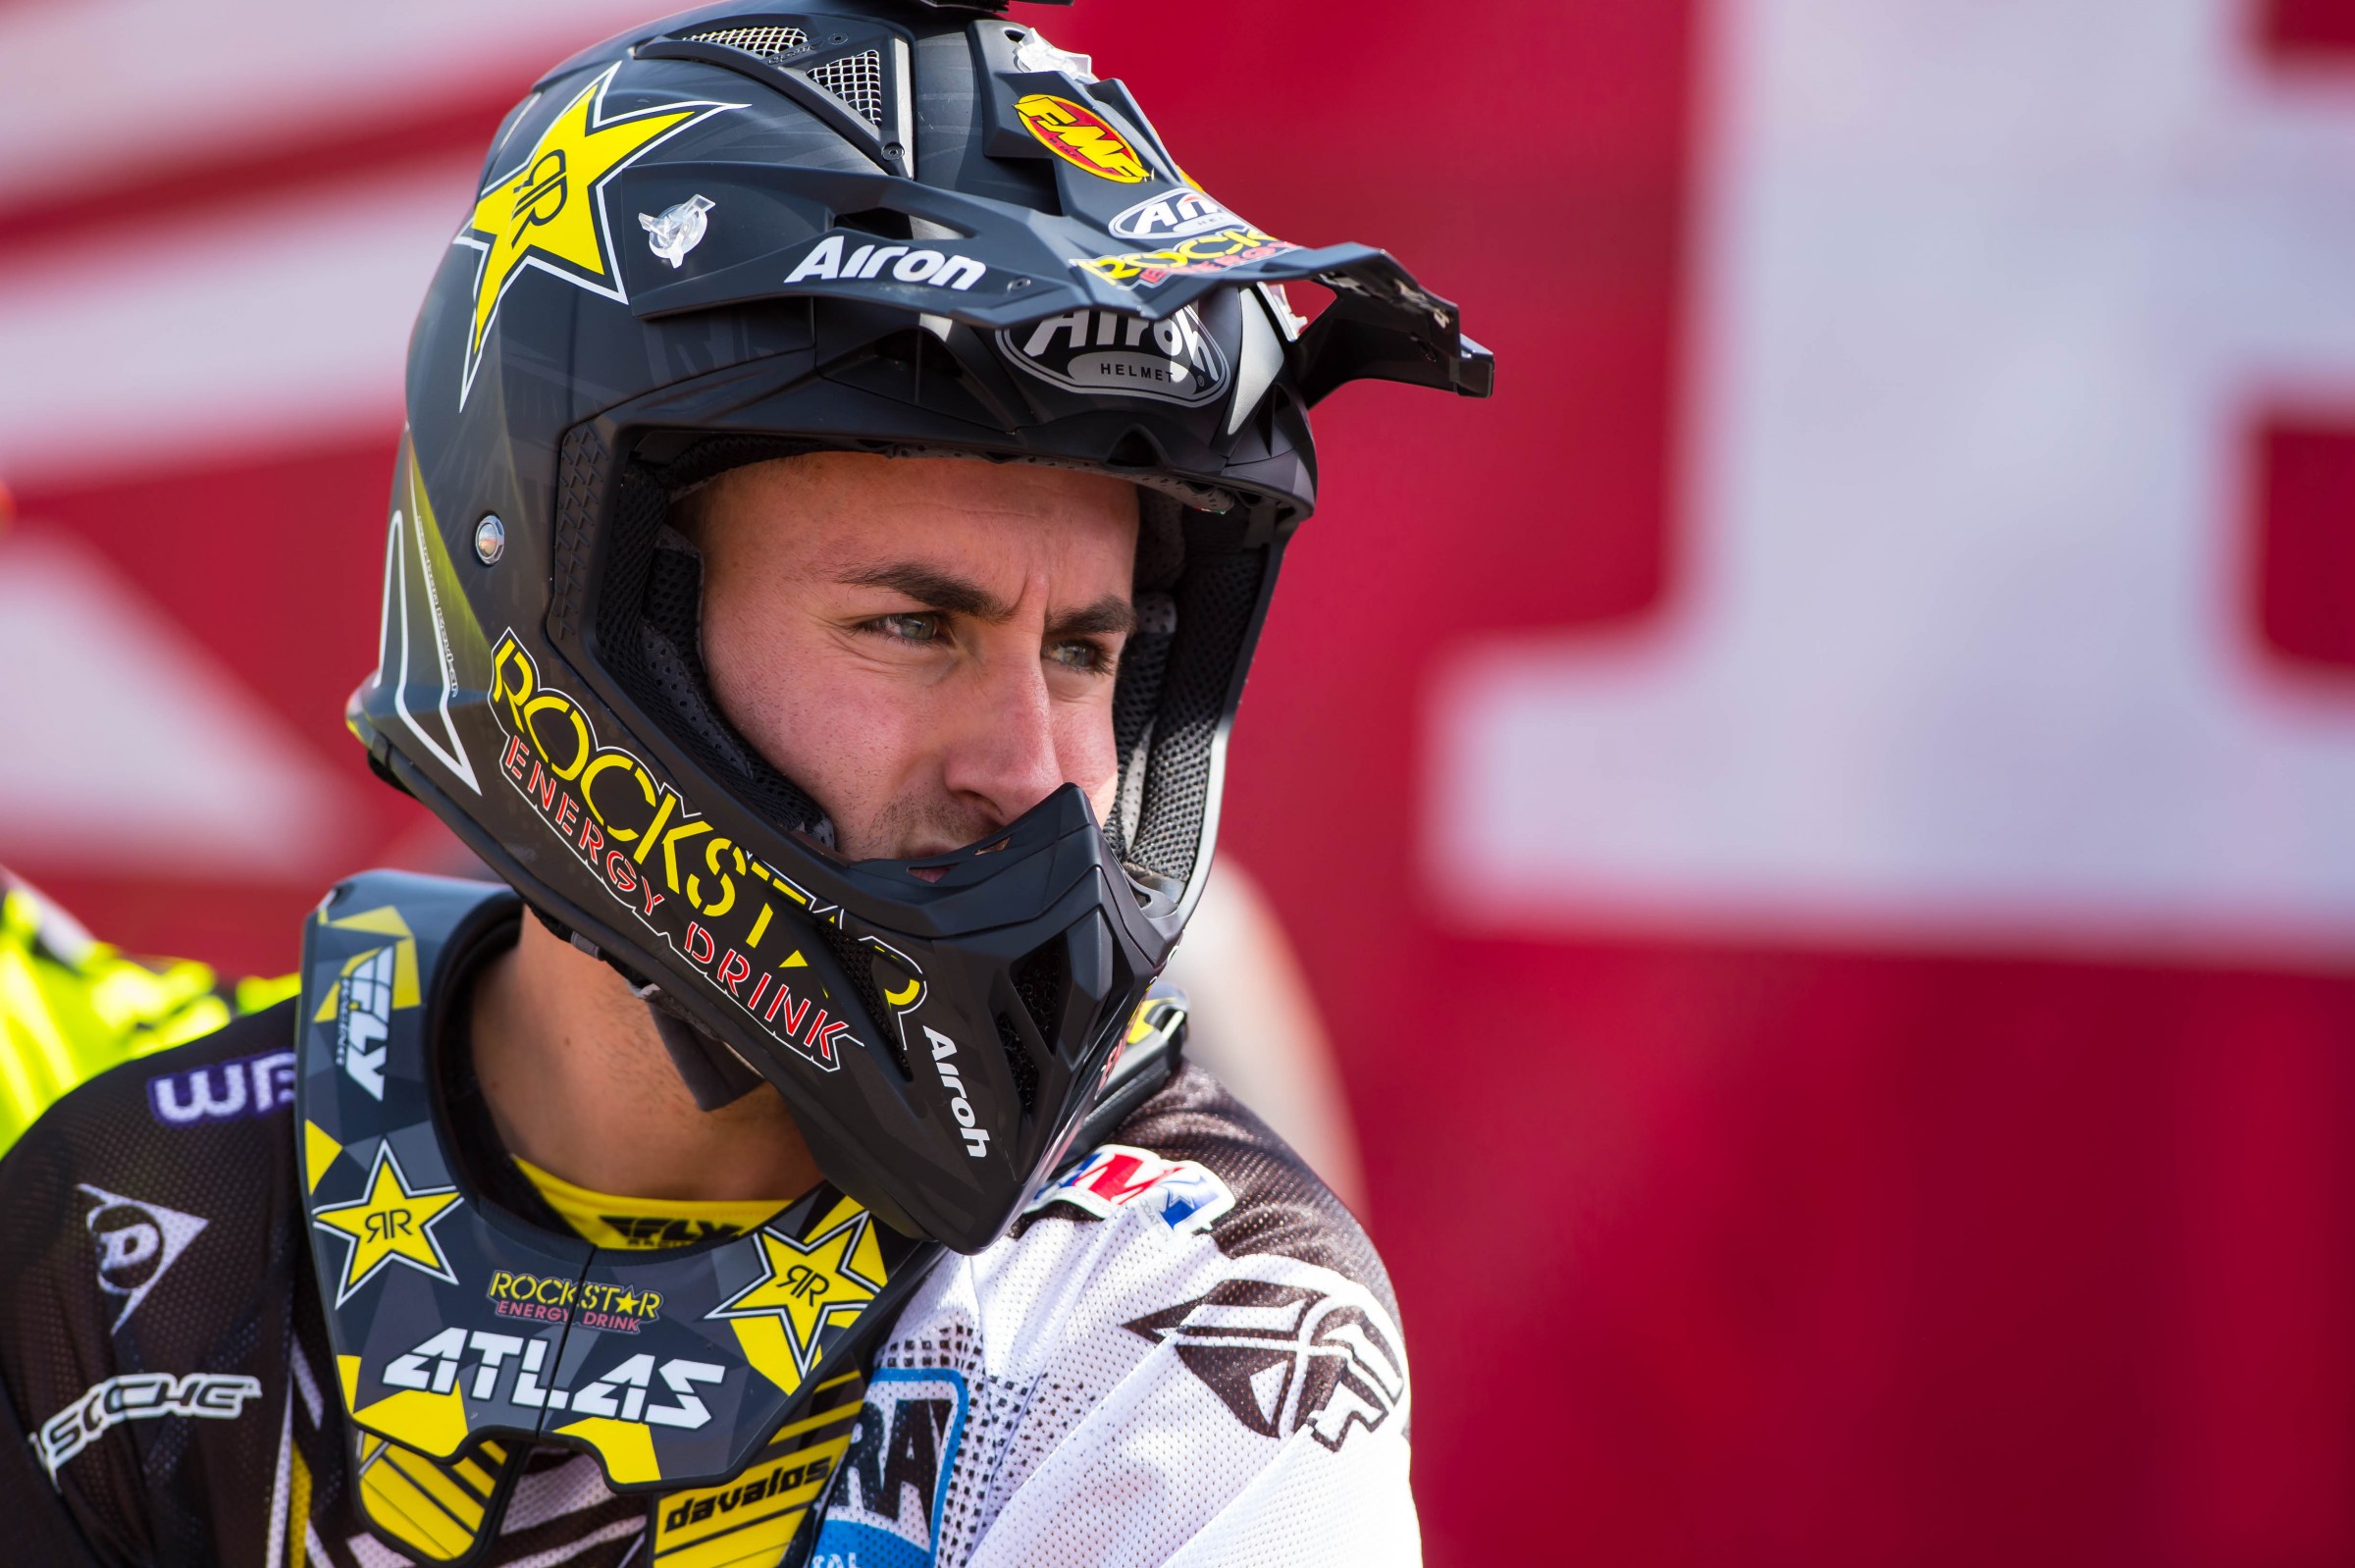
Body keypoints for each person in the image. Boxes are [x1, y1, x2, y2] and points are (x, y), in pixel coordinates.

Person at [0, 4, 1491, 1563]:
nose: (1031, 773)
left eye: (1081, 652)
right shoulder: (141, 1226)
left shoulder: (1192, 1320)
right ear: (582, 614)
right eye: (913, 627)